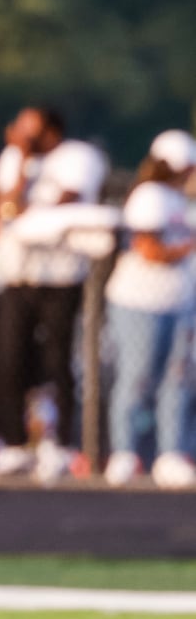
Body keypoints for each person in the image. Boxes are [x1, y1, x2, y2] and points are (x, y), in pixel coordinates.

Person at [0, 106, 109, 480]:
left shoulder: (79, 158)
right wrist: (21, 157)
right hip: (19, 274)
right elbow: (7, 205)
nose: (22, 132)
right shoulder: (13, 159)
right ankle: (14, 442)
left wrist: (27, 214)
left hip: (61, 275)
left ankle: (62, 442)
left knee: (57, 361)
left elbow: (65, 203)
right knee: (9, 358)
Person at [102, 130, 196, 489]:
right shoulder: (150, 197)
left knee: (178, 378)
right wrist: (188, 247)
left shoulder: (180, 201)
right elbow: (149, 249)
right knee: (137, 376)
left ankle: (171, 454)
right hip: (140, 300)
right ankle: (124, 453)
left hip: (179, 300)